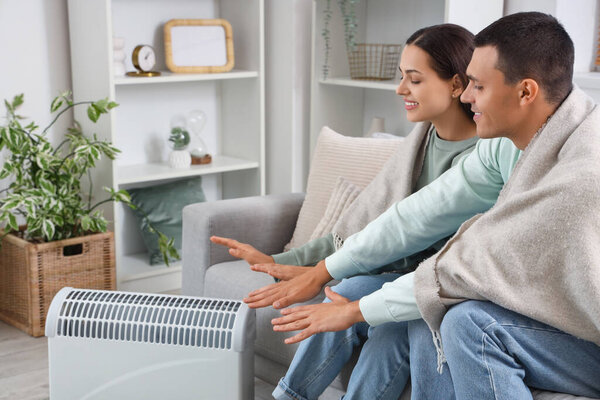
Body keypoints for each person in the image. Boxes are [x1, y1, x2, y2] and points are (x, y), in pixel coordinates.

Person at [248, 12, 600, 399]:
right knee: (430, 316)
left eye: (478, 86)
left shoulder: (581, 175)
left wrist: (354, 311)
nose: (467, 96)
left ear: (526, 92)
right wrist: (323, 271)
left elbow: (471, 265)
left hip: (587, 339)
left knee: (467, 323)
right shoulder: (506, 143)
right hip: (555, 318)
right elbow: (418, 214)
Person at [213, 24, 480, 399]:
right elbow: (363, 224)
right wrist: (279, 261)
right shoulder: (418, 143)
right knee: (349, 293)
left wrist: (318, 271)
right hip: (395, 276)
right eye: (401, 77)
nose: (401, 89)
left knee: (379, 322)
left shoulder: (484, 161)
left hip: (438, 289)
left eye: (415, 80)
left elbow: (440, 256)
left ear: (456, 85)